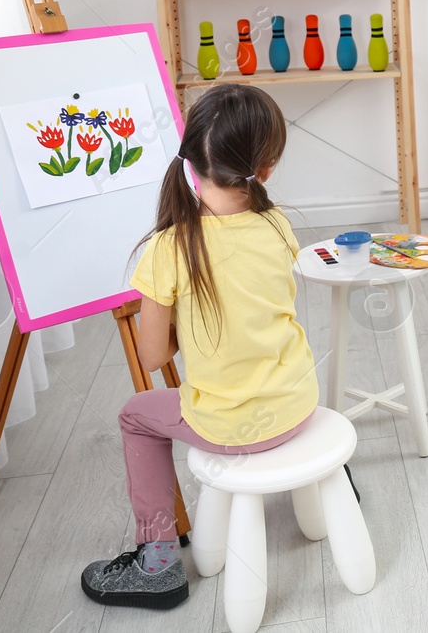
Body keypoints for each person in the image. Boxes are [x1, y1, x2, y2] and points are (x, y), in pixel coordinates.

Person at [80, 84, 319, 610]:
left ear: (190, 160)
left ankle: (158, 560)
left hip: (232, 428)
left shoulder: (168, 248)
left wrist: (169, 318)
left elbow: (151, 358)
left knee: (135, 416)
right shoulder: (278, 225)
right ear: (267, 167)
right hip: (298, 404)